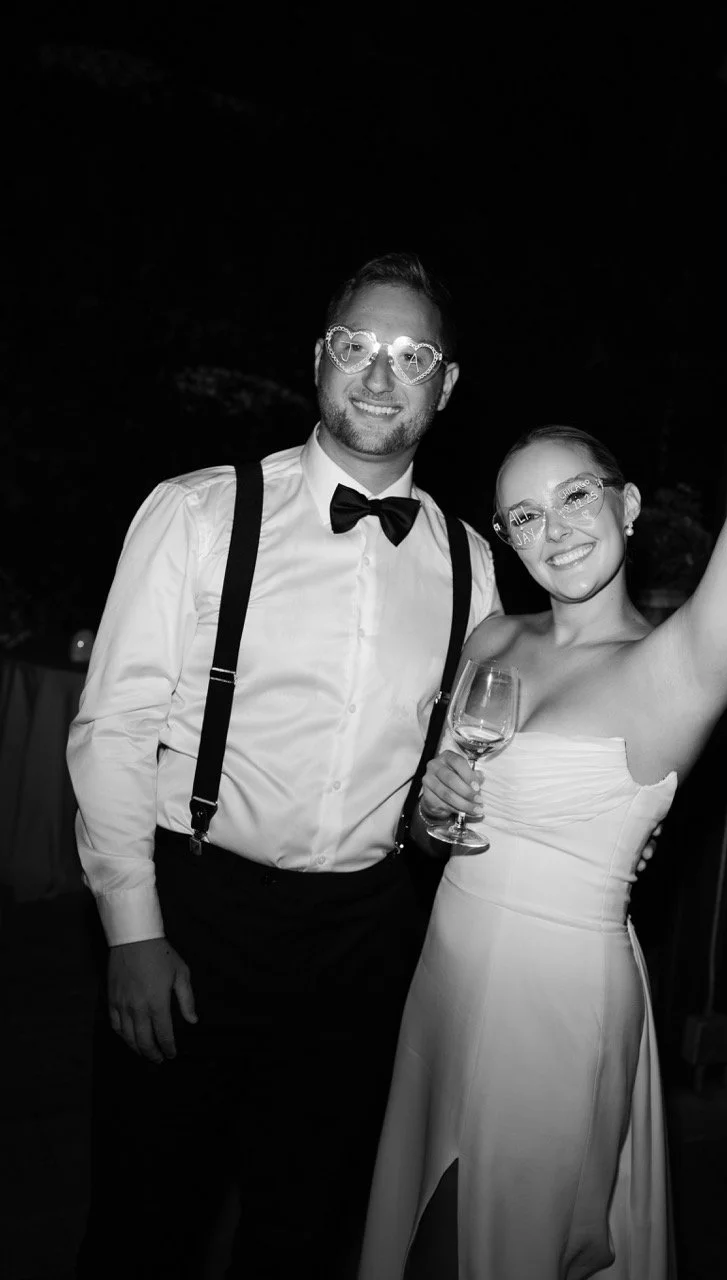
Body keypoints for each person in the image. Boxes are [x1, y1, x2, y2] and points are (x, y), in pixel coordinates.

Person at [357, 285, 727, 1280]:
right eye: (523, 516)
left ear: (625, 503)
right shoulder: (495, 633)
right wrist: (429, 812)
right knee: (418, 1230)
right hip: (446, 974)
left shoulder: (677, 667)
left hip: (553, 1002)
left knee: (496, 1247)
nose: (554, 531)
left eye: (576, 495)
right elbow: (430, 826)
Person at [66, 251, 502, 1280]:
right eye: (356, 345)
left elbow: (452, 768)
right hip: (200, 912)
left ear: (446, 385)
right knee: (143, 1220)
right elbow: (113, 729)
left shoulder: (472, 562)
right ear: (318, 359)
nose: (379, 374)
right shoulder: (198, 512)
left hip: (364, 939)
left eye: (412, 353)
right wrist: (133, 932)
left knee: (302, 1228)